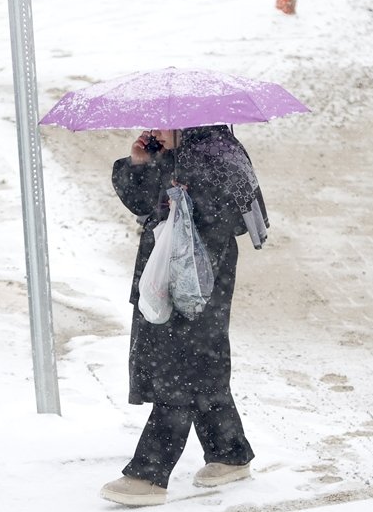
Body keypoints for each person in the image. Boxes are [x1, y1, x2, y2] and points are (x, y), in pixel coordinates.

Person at [101, 125, 269, 507]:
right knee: (199, 366)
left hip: (199, 280)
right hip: (166, 277)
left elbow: (227, 221)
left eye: (163, 121)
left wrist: (186, 196)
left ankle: (148, 474)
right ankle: (230, 453)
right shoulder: (175, 153)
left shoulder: (218, 157)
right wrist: (141, 164)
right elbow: (143, 203)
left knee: (181, 370)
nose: (154, 128)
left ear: (190, 122)